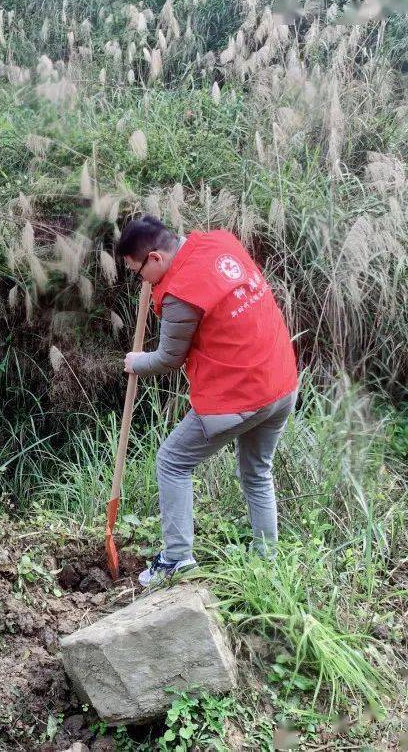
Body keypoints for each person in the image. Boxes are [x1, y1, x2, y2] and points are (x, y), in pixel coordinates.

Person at [116, 215, 299, 586]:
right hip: (280, 382)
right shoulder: (219, 242)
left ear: (155, 258)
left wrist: (136, 362)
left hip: (240, 393)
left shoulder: (181, 294)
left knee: (172, 461)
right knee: (257, 471)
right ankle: (268, 562)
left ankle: (177, 559)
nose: (141, 281)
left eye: (138, 272)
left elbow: (169, 359)